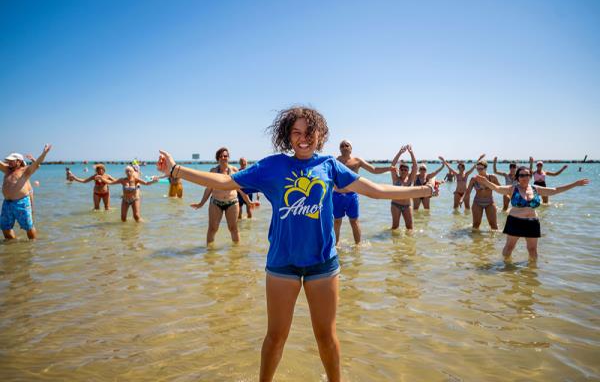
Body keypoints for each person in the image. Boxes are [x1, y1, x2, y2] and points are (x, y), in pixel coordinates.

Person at [157, 106, 439, 382]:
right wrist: (177, 170)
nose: (303, 138)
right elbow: (225, 181)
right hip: (283, 264)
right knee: (276, 336)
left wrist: (424, 190)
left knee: (326, 337)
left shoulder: (329, 165)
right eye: (296, 132)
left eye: (309, 132)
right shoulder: (272, 166)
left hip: (323, 264)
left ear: (320, 135)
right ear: (287, 135)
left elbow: (375, 190)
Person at [474, 167, 588, 261]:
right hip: (515, 221)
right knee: (509, 247)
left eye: (527, 175)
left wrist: (575, 184)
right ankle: (506, 269)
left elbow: (555, 190)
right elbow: (497, 188)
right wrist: (485, 182)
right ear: (517, 177)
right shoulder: (512, 189)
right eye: (522, 175)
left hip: (532, 223)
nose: (525, 177)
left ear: (530, 176)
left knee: (532, 250)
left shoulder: (536, 189)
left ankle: (532, 273)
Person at [189, 148, 252, 244]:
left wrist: (249, 202)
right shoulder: (213, 171)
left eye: (225, 156)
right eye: (220, 156)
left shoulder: (234, 170)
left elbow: (240, 189)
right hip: (216, 202)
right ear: (217, 158)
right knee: (212, 229)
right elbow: (209, 189)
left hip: (232, 202)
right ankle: (210, 251)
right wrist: (201, 203)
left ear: (228, 157)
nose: (223, 158)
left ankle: (236, 252)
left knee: (233, 229)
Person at [333, 139, 390, 244]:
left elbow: (373, 169)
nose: (344, 147)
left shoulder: (357, 161)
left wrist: (389, 168)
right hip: (337, 195)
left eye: (347, 145)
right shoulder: (335, 161)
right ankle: (335, 246)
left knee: (354, 222)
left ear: (351, 148)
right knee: (336, 221)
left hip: (352, 196)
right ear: (339, 149)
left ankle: (358, 246)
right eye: (342, 146)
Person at [1, 145, 51, 240]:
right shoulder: (7, 170)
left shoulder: (25, 170)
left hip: (21, 202)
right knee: (5, 227)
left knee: (28, 227)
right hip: (7, 203)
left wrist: (44, 153)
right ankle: (12, 245)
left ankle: (32, 244)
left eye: (11, 160)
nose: (9, 162)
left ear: (19, 161)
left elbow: (37, 163)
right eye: (8, 160)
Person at [463, 160, 500, 230]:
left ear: (485, 168)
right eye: (478, 169)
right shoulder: (474, 179)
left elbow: (499, 188)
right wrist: (462, 200)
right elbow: (468, 192)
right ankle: (476, 237)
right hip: (477, 202)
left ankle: (495, 237)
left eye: (481, 169)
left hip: (490, 202)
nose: (479, 170)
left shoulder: (492, 177)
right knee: (476, 225)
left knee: (494, 226)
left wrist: (508, 194)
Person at [389, 145, 417, 230]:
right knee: (395, 227)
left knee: (410, 227)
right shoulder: (395, 179)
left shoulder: (410, 179)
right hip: (395, 205)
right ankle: (394, 239)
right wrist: (400, 152)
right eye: (402, 169)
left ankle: (408, 239)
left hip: (407, 205)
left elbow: (415, 166)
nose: (404, 171)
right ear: (399, 171)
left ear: (408, 171)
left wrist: (411, 153)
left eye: (405, 170)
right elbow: (392, 165)